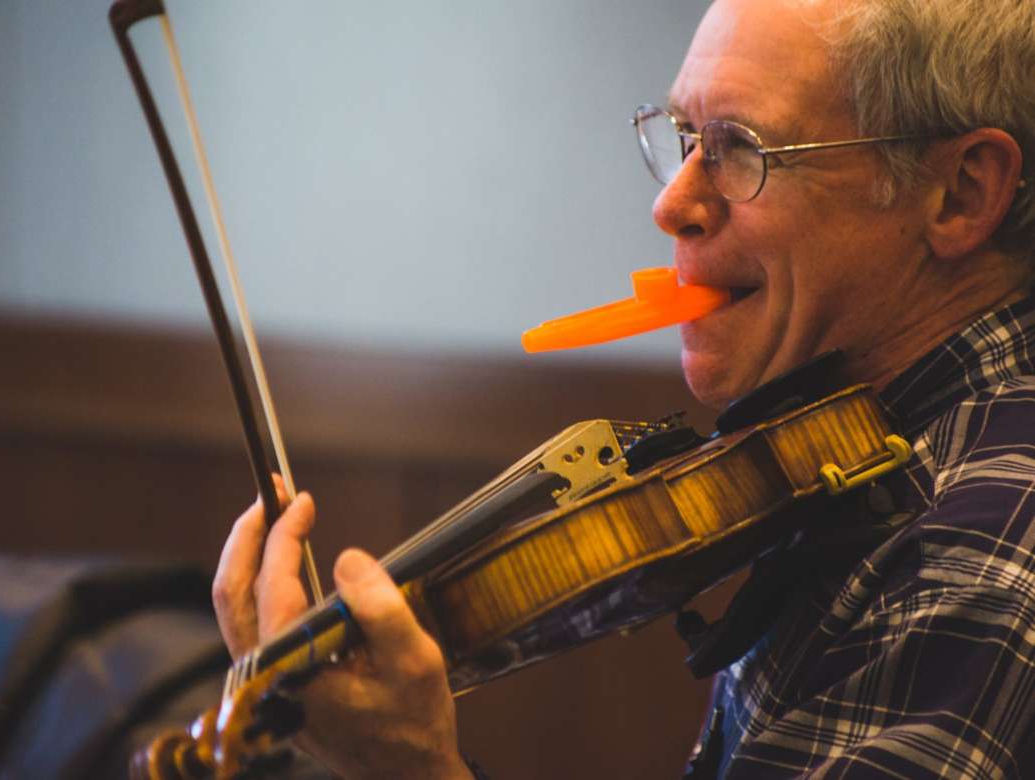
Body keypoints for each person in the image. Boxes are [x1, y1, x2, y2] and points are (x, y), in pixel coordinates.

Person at [212, 0, 1035, 776]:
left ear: (960, 194)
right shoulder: (849, 450)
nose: (673, 204)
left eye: (742, 148)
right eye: (684, 137)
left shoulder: (972, 564)